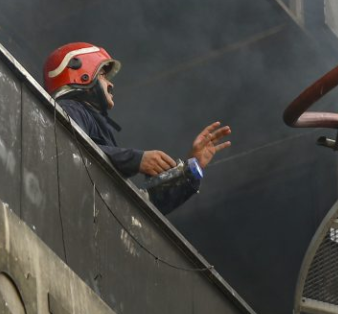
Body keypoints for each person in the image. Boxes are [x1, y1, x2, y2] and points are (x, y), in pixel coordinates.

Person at [42, 42, 231, 214]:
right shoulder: (70, 109)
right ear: (82, 75)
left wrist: (192, 168)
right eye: (103, 75)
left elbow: (140, 210)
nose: (111, 84)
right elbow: (69, 146)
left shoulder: (96, 127)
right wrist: (136, 160)